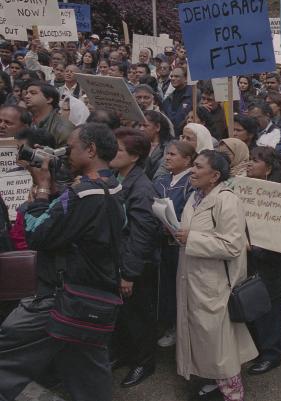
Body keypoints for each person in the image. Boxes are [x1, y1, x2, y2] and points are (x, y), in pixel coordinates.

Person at [0, 123, 125, 401]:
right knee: (88, 373)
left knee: (6, 351)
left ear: (90, 150)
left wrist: (42, 189)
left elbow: (37, 234)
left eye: (70, 148)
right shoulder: (113, 187)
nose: (65, 154)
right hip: (92, 297)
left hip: (61, 296)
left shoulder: (83, 195)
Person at [174, 150, 257, 401]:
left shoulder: (226, 200)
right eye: (193, 165)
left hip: (215, 282)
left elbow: (233, 245)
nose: (192, 171)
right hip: (193, 277)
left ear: (215, 175)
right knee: (202, 337)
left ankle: (233, 392)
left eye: (199, 167)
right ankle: (211, 381)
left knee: (219, 342)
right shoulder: (195, 196)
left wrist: (192, 238)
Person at [109, 128, 160, 387]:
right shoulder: (118, 177)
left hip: (136, 266)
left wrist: (129, 273)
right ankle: (124, 354)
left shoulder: (141, 188)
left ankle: (143, 362)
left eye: (118, 150)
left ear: (135, 156)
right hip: (118, 261)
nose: (112, 154)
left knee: (139, 317)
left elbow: (141, 236)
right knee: (123, 315)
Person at [244, 146, 281, 374]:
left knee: (268, 308)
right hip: (248, 258)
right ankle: (256, 349)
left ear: (269, 168)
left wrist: (256, 249)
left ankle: (272, 354)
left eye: (255, 161)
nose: (249, 164)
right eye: (249, 160)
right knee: (251, 304)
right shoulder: (244, 187)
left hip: (271, 262)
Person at [152, 141, 196, 349]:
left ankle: (180, 329)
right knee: (166, 287)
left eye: (173, 155)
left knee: (179, 288)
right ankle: (169, 324)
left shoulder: (191, 183)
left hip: (179, 243)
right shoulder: (161, 181)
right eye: (166, 154)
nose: (167, 158)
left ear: (187, 160)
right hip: (161, 243)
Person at [24, 81, 75, 146]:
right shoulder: (23, 121)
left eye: (33, 93)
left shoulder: (64, 128)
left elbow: (67, 155)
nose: (26, 96)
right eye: (26, 93)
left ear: (49, 99)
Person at [162, 67, 192, 131]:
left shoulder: (194, 95)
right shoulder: (168, 99)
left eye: (176, 76)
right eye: (171, 76)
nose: (172, 78)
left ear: (185, 78)